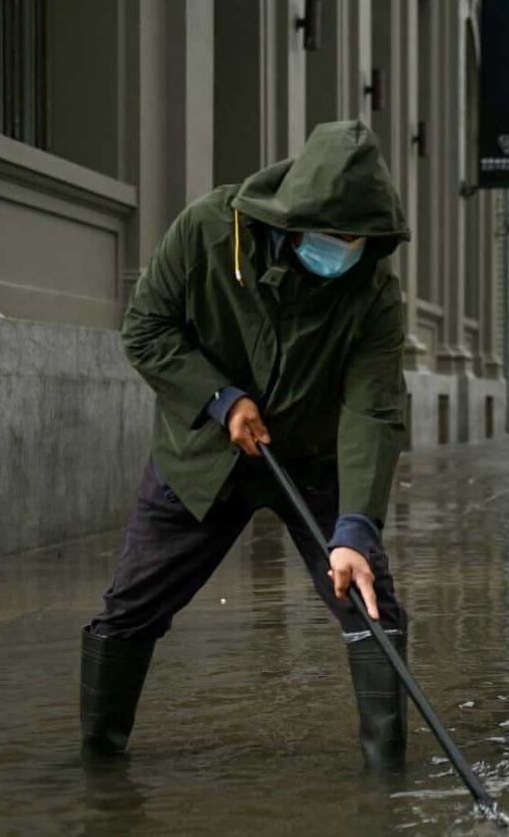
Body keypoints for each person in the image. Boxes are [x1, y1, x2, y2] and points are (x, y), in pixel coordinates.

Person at [80, 120, 412, 771]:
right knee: (131, 607)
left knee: (372, 603)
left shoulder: (373, 288)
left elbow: (372, 406)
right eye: (333, 235)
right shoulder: (207, 231)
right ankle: (98, 755)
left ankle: (387, 771)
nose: (344, 250)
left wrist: (353, 527)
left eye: (357, 239)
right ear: (294, 216)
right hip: (202, 456)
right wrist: (219, 398)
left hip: (313, 462)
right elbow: (145, 330)